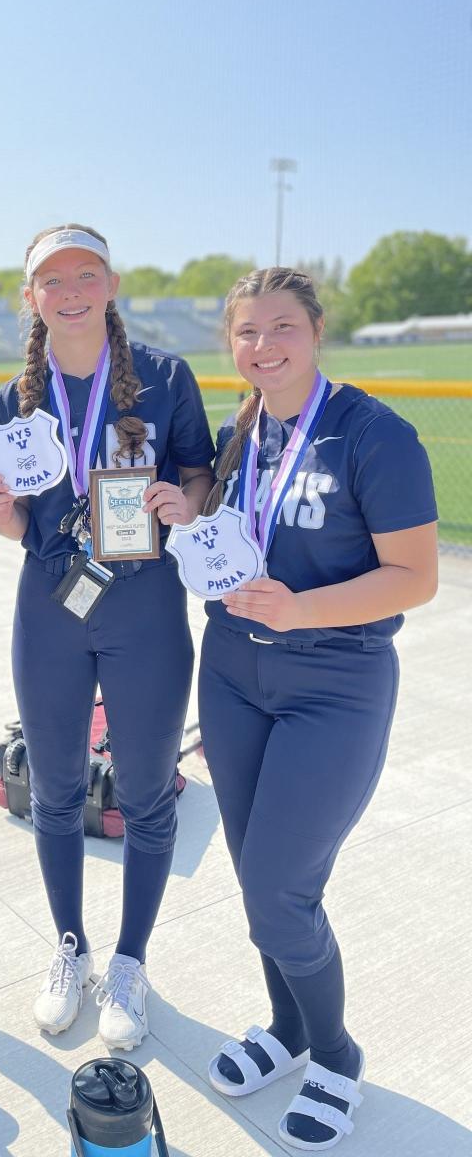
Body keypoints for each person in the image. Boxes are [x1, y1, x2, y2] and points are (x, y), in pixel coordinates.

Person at [198, 268, 438, 1150]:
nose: (264, 347)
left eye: (282, 328)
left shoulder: (372, 433)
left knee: (278, 891)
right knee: (260, 875)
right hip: (230, 675)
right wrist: (180, 514)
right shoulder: (243, 431)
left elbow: (418, 575)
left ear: (316, 329)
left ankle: (335, 1054)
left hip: (334, 681)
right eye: (247, 333)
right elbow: (236, 539)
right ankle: (286, 1027)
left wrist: (303, 608)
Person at [0, 224, 214, 1050]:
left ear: (110, 283)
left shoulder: (165, 375)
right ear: (31, 297)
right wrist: (3, 518)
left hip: (145, 604)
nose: (70, 290)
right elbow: (20, 524)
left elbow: (199, 472)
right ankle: (70, 947)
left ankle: (130, 961)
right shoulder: (17, 401)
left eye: (85, 274)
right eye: (51, 278)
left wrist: (187, 502)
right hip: (52, 608)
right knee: (54, 786)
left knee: (147, 793)